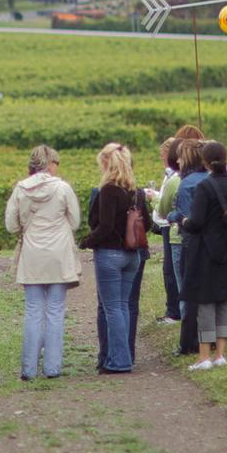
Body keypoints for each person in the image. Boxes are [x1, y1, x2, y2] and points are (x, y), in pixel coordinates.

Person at [5, 144, 80, 379]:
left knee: (33, 311)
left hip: (32, 254)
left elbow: (11, 225)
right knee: (56, 311)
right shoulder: (63, 188)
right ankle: (52, 368)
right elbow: (75, 221)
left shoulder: (20, 190)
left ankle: (28, 368)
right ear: (50, 164)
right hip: (59, 254)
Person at [180, 141, 227, 369]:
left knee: (205, 302)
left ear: (205, 162)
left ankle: (203, 356)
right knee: (224, 300)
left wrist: (183, 221)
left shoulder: (205, 187)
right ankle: (220, 354)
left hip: (207, 250)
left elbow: (196, 222)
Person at [83, 143, 147, 373]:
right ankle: (124, 356)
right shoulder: (136, 192)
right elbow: (146, 224)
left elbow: (105, 226)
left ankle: (118, 361)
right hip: (132, 255)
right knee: (123, 307)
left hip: (110, 254)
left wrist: (87, 241)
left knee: (111, 309)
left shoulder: (109, 190)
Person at [170, 136, 212, 356]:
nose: (176, 161)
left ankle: (189, 343)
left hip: (193, 244)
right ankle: (212, 338)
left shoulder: (187, 183)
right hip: (215, 244)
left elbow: (188, 217)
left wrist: (174, 215)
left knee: (190, 294)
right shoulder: (210, 178)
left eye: (179, 157)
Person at [152, 138, 184, 325]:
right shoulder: (171, 175)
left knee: (171, 270)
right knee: (171, 269)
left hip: (170, 225)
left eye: (163, 155)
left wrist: (154, 199)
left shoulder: (174, 178)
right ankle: (175, 309)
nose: (161, 158)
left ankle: (175, 311)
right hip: (168, 224)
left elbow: (165, 206)